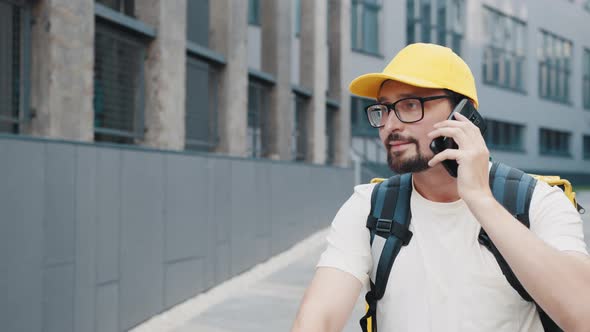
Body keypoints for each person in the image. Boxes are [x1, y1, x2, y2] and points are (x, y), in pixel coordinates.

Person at [290, 43, 590, 332]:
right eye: (384, 109)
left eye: (409, 105)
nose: (391, 124)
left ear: (462, 115)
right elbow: (319, 319)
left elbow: (583, 316)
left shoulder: (538, 201)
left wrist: (480, 199)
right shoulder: (370, 206)